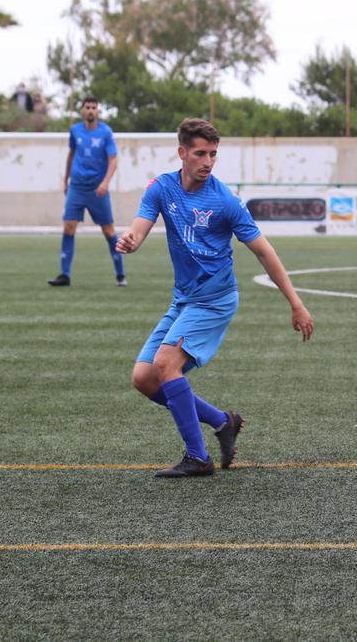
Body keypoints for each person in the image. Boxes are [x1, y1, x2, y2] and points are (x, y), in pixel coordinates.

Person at [115, 118, 314, 478]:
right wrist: (129, 240)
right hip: (184, 300)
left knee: (165, 364)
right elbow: (139, 229)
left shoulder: (225, 202)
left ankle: (198, 457)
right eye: (200, 153)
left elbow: (265, 253)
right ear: (182, 153)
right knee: (144, 378)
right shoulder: (161, 188)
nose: (207, 162)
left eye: (213, 154)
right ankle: (224, 422)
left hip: (216, 300)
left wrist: (296, 303)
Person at [48, 96, 124, 287]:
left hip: (97, 189)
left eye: (93, 107)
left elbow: (113, 160)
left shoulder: (105, 132)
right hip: (77, 187)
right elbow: (71, 154)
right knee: (68, 226)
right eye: (87, 107)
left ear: (98, 111)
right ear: (82, 111)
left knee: (108, 231)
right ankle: (64, 275)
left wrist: (105, 183)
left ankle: (120, 274)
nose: (90, 110)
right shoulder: (75, 130)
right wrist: (66, 180)